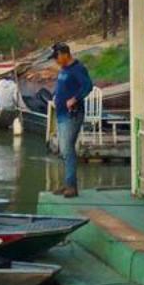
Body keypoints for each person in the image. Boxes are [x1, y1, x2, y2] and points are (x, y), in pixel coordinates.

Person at [50, 42, 93, 198]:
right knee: (63, 150)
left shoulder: (77, 69)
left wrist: (75, 99)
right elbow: (63, 86)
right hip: (61, 114)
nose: (55, 60)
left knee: (67, 149)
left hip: (71, 115)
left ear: (65, 54)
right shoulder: (64, 69)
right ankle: (68, 183)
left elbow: (88, 86)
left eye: (56, 57)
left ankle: (71, 187)